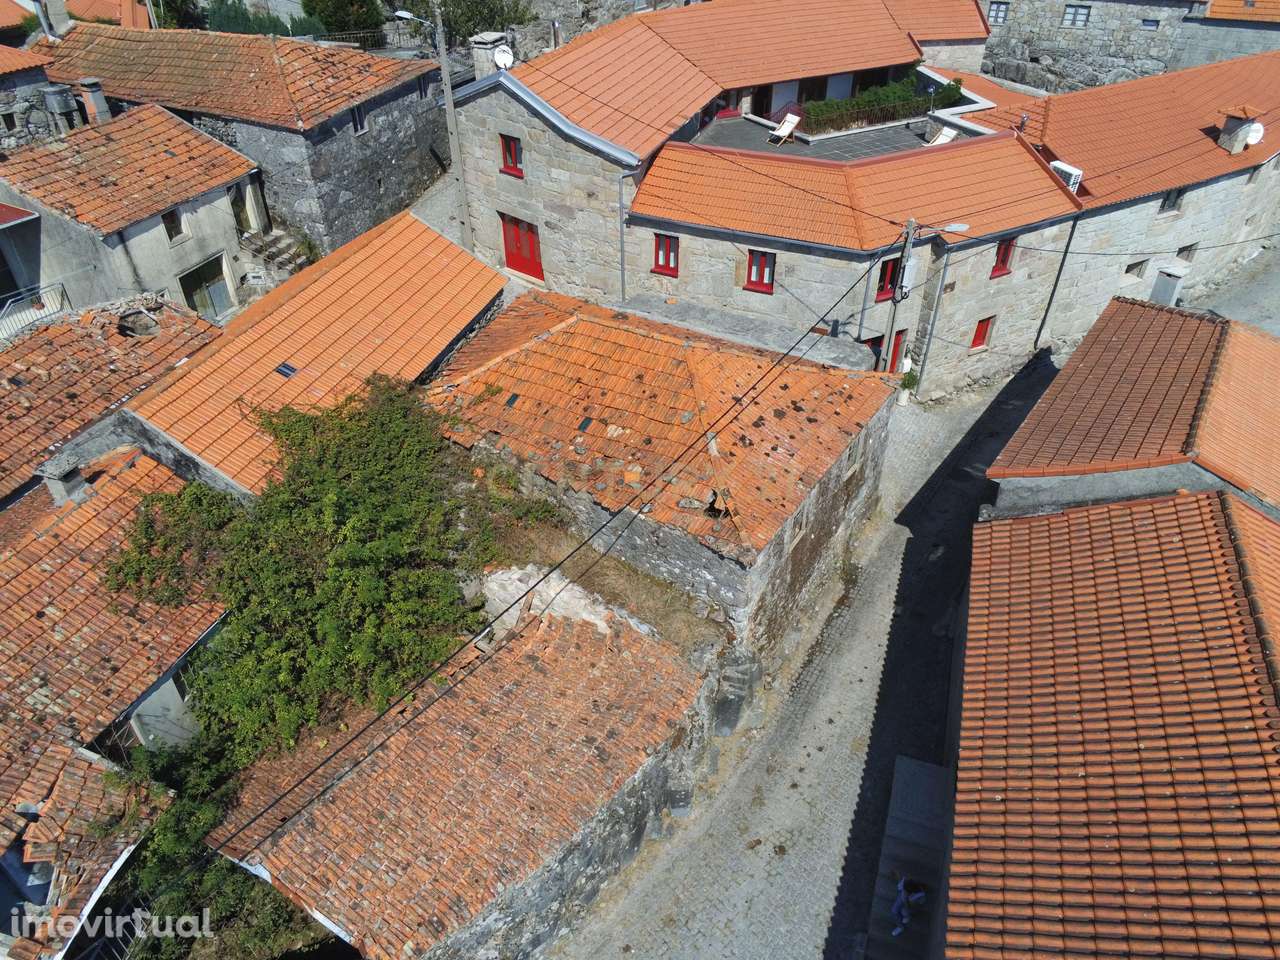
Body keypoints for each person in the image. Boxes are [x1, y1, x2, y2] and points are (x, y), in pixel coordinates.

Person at [890, 871, 927, 936]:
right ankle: (900, 926)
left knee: (903, 912)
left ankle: (903, 922)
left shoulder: (920, 896)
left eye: (905, 892)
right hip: (904, 898)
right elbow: (900, 879)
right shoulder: (906, 883)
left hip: (908, 903)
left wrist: (906, 903)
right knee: (894, 910)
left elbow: (913, 906)